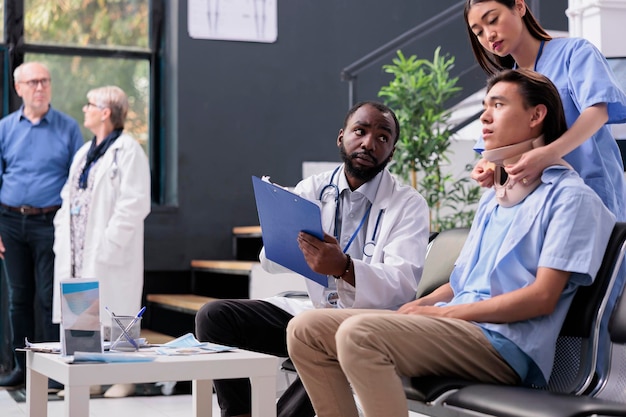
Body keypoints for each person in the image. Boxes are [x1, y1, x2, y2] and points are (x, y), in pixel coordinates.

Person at [286, 69, 616, 417]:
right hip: (456, 327)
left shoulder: (571, 198)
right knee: (305, 329)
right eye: (485, 106)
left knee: (359, 335)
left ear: (536, 115)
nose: (485, 116)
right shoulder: (496, 196)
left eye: (498, 105)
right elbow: (461, 284)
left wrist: (440, 313)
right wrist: (417, 307)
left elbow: (541, 298)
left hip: (503, 344)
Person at [195, 101, 430, 417]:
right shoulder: (314, 188)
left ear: (392, 151)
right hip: (315, 311)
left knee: (319, 341)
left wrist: (344, 268)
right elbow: (272, 262)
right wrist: (279, 230)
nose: (369, 143)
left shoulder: (408, 205)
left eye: (383, 137)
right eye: (360, 131)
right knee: (214, 317)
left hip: (368, 323)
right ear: (341, 137)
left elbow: (403, 285)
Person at [464, 0, 626, 221]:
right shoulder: (506, 84)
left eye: (493, 20)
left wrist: (550, 153)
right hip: (536, 206)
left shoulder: (575, 52)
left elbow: (598, 110)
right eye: (478, 32)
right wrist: (489, 165)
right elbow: (499, 148)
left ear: (520, 6)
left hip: (590, 190)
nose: (488, 35)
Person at [52, 85, 151, 397]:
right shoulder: (85, 153)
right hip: (78, 248)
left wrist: (110, 242)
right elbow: (68, 196)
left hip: (109, 249)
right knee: (81, 311)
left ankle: (124, 376)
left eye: (90, 105)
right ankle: (88, 377)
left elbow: (134, 203)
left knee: (119, 309)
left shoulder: (129, 150)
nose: (85, 109)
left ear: (106, 112)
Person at [0, 62, 83, 388]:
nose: (40, 87)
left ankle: (54, 373)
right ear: (18, 87)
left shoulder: (67, 127)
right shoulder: (5, 128)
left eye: (45, 81)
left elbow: (78, 182)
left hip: (51, 221)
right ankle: (23, 368)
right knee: (18, 298)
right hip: (9, 220)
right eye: (33, 82)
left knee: (52, 299)